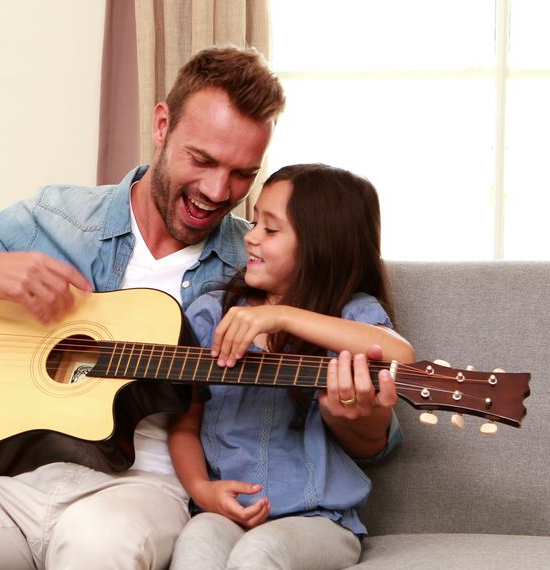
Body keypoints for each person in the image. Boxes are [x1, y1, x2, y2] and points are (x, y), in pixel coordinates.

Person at [0, 47, 376, 570]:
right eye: (202, 160)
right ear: (162, 125)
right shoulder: (56, 219)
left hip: (139, 494)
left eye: (242, 174)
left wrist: (357, 410)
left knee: (99, 544)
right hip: (1, 486)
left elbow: (374, 428)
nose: (218, 192)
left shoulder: (256, 271)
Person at [167, 164, 414, 570]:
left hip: (319, 522)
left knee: (258, 554)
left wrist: (280, 317)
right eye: (255, 220)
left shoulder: (350, 316)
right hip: (225, 513)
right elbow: (184, 424)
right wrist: (201, 489)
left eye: (271, 229)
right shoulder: (212, 314)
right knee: (196, 543)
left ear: (320, 245)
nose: (250, 236)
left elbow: (398, 355)